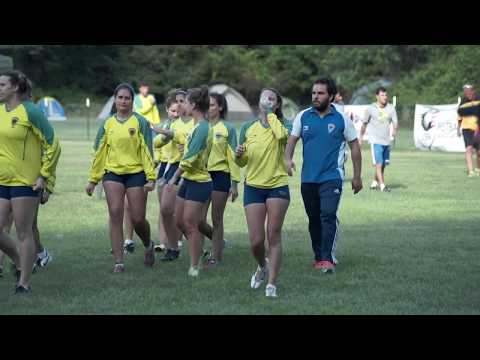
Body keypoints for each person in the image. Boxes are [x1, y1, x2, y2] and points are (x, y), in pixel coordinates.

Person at [285, 77, 363, 274]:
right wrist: (287, 159)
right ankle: (319, 256)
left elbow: (354, 145)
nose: (315, 97)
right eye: (314, 93)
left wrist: (357, 176)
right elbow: (292, 141)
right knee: (314, 219)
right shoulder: (303, 117)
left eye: (320, 93)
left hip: (332, 176)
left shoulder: (341, 119)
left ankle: (327, 258)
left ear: (331, 96)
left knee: (327, 215)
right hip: (308, 178)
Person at [0, 70, 61, 294]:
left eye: (2, 85)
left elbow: (53, 144)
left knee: (23, 231)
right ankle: (18, 259)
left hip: (26, 182)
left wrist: (44, 176)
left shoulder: (31, 112)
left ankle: (23, 283)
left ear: (15, 88)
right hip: (2, 180)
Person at [85, 83, 156, 273]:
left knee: (138, 219)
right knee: (115, 213)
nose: (123, 101)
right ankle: (119, 262)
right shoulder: (107, 123)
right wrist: (93, 180)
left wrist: (151, 178)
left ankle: (148, 244)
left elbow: (147, 151)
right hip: (112, 173)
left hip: (136, 173)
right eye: (120, 97)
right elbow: (99, 152)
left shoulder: (140, 122)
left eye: (127, 98)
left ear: (133, 101)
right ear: (115, 100)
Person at [235, 88, 291, 298]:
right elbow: (242, 161)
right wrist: (239, 155)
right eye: (264, 97)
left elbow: (281, 136)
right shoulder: (248, 127)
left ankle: (271, 284)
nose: (266, 99)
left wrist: (270, 115)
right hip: (253, 187)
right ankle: (262, 266)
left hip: (277, 185)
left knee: (273, 235)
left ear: (276, 104)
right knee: (256, 241)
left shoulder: (283, 125)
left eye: (271, 98)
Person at [166, 86, 213, 277]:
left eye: (184, 101)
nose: (181, 104)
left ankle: (195, 265)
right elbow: (190, 151)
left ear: (193, 105)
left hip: (199, 182)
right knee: (179, 221)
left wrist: (174, 177)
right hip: (189, 179)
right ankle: (199, 251)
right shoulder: (196, 126)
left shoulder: (202, 127)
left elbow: (190, 158)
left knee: (190, 223)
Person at [197, 93, 240, 267]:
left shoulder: (228, 128)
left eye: (213, 105)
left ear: (220, 108)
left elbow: (234, 158)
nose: (209, 108)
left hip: (220, 176)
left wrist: (235, 184)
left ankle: (215, 257)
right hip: (202, 176)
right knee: (198, 220)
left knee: (217, 218)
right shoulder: (201, 127)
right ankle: (219, 241)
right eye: (207, 104)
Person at [155, 89, 194, 262]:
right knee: (165, 210)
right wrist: (165, 137)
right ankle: (171, 244)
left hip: (189, 169)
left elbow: (200, 145)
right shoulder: (173, 123)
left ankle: (177, 246)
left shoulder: (196, 123)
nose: (179, 104)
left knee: (183, 215)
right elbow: (157, 142)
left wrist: (185, 147)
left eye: (182, 100)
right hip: (170, 168)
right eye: (176, 101)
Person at [151, 94, 180, 253]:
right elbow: (156, 144)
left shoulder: (181, 126)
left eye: (178, 111)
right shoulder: (165, 125)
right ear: (167, 110)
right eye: (173, 111)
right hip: (164, 167)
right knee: (163, 209)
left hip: (178, 167)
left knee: (174, 210)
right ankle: (163, 243)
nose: (176, 114)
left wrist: (162, 133)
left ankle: (176, 240)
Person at [359, 86, 398, 192]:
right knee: (379, 163)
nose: (385, 97)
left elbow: (395, 122)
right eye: (382, 95)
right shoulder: (371, 109)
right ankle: (382, 186)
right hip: (375, 141)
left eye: (386, 95)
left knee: (383, 164)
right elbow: (364, 124)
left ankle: (375, 182)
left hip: (386, 141)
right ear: (377, 96)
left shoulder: (391, 108)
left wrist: (394, 130)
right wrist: (360, 137)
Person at [457, 84, 480, 177]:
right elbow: (459, 117)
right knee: (469, 149)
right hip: (466, 128)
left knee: (479, 152)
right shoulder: (463, 102)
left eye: (469, 91)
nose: (467, 94)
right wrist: (458, 129)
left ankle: (478, 169)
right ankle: (471, 171)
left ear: (473, 91)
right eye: (465, 92)